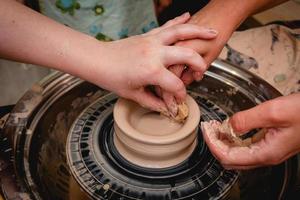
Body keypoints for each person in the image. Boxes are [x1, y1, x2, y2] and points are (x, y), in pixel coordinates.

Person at [0, 0, 218, 114]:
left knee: (143, 58)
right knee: (75, 84)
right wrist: (101, 56)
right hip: (71, 19)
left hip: (132, 10)